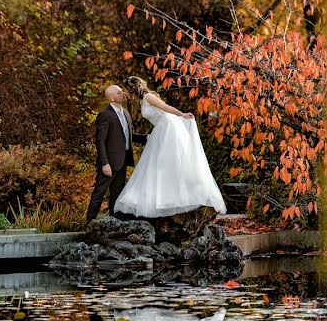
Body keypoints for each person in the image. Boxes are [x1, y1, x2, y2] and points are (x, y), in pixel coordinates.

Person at [114, 76, 226, 218]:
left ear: (132, 89)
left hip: (169, 127)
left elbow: (165, 108)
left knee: (167, 161)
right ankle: (163, 196)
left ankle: (179, 195)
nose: (125, 94)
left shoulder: (149, 97)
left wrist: (182, 114)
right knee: (159, 164)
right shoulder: (142, 101)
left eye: (126, 91)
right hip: (161, 129)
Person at [85, 85, 148, 223]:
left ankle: (115, 224)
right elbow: (100, 141)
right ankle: (89, 224)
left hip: (122, 161)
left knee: (117, 194)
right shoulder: (105, 115)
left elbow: (130, 136)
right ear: (112, 98)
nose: (123, 93)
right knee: (99, 193)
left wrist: (148, 138)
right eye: (119, 92)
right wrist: (104, 163)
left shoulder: (125, 112)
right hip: (109, 163)